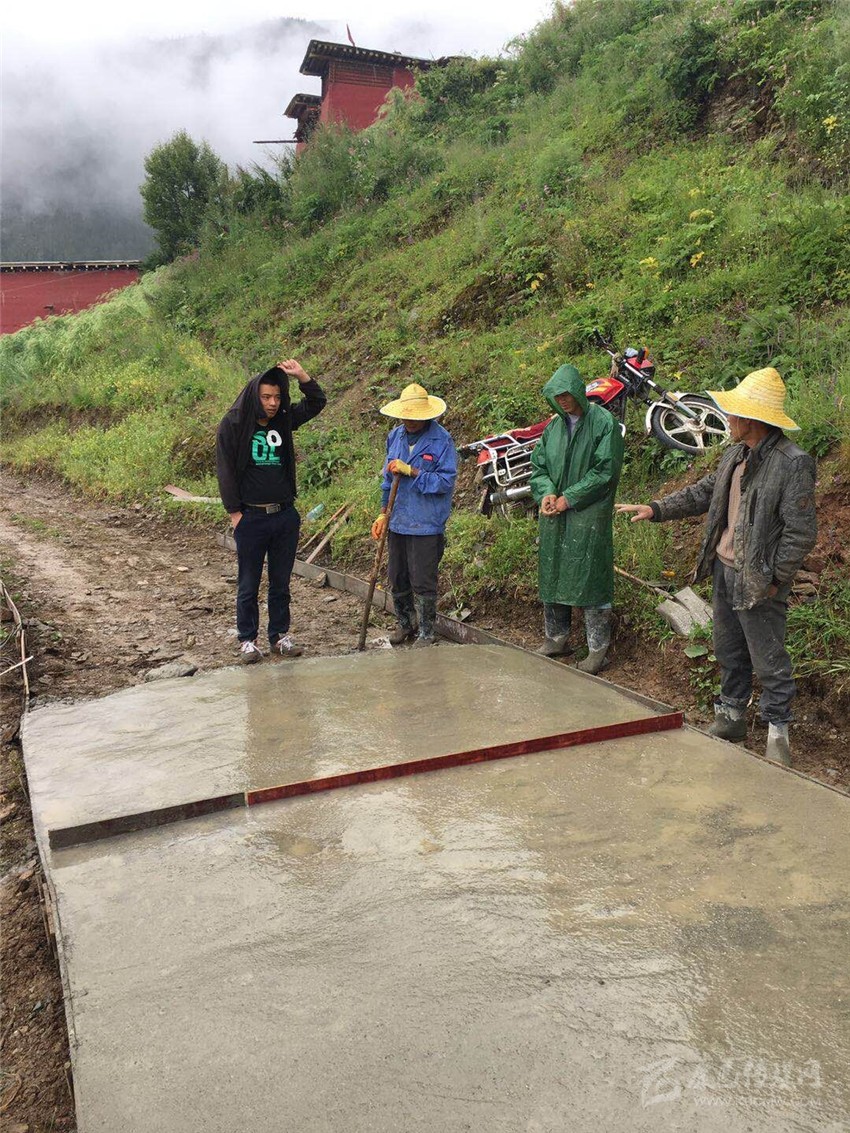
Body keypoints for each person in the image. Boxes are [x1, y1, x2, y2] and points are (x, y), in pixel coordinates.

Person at [616, 367, 817, 766]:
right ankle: (732, 717)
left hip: (758, 577)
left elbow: (800, 532)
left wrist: (776, 578)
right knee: (728, 648)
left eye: (733, 412)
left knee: (769, 658)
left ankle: (778, 733)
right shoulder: (735, 454)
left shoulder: (792, 463)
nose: (727, 417)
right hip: (725, 569)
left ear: (752, 419)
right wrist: (656, 508)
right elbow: (705, 492)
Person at [216, 359, 326, 663]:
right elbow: (225, 470)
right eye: (266, 397)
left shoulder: (283, 420)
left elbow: (317, 403)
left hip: (284, 516)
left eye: (277, 397)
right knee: (248, 582)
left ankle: (279, 636)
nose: (273, 403)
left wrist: (303, 376)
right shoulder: (234, 423)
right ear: (255, 396)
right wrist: (235, 514)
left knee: (281, 582)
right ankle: (247, 640)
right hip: (251, 517)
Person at [530, 363, 625, 673]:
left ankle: (598, 650)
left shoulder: (603, 423)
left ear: (578, 392)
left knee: (591, 575)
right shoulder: (553, 429)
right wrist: (546, 493)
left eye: (567, 394)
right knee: (553, 570)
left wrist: (569, 498)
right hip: (555, 514)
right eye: (557, 396)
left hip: (589, 513)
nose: (563, 400)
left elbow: (605, 472)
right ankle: (556, 638)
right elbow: (539, 468)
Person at [371, 383, 457, 647]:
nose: (409, 421)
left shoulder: (441, 440)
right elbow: (388, 480)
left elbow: (445, 482)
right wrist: (383, 513)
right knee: (398, 576)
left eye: (415, 417)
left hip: (426, 522)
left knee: (423, 579)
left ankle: (427, 632)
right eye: (405, 416)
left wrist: (413, 472)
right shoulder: (395, 437)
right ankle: (405, 623)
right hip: (398, 519)